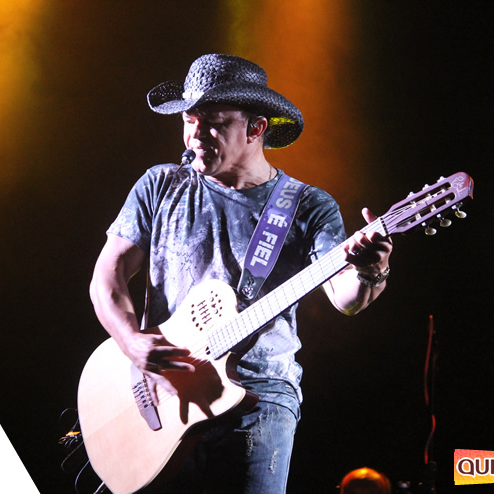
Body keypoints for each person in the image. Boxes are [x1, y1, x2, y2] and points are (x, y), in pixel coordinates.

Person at [89, 53, 393, 493]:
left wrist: (371, 270)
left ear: (256, 128)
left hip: (260, 399)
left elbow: (346, 300)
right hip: (166, 389)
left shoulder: (308, 206)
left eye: (214, 123)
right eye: (190, 120)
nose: (195, 135)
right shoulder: (161, 185)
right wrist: (131, 342)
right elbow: (108, 275)